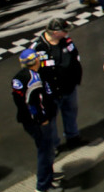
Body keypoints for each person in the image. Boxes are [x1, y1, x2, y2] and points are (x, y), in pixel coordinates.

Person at [12, 50, 63, 192]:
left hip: (27, 120)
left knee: (45, 149)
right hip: (37, 123)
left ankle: (48, 175)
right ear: (36, 61)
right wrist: (42, 119)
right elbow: (34, 104)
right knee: (45, 151)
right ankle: (43, 185)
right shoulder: (34, 79)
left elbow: (20, 101)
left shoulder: (18, 78)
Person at [28, 18, 83, 150]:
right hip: (50, 93)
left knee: (71, 112)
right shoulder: (37, 48)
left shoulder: (66, 40)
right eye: (63, 31)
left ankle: (73, 137)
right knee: (50, 120)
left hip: (69, 87)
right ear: (54, 32)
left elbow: (74, 56)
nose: (66, 32)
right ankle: (53, 145)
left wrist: (76, 77)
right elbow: (31, 72)